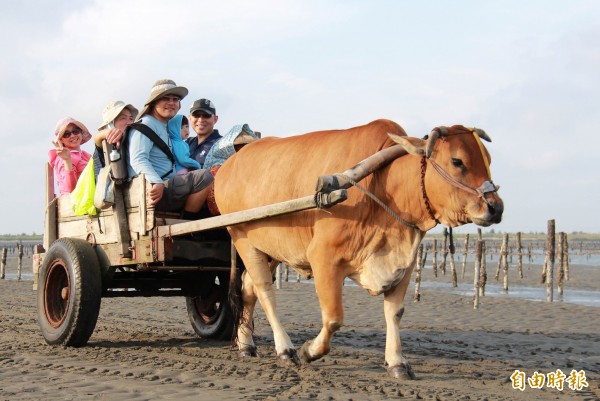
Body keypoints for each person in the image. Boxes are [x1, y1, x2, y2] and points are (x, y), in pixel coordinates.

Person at [127, 79, 213, 217]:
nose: (171, 103)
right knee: (204, 177)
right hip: (153, 191)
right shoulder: (145, 126)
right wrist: (156, 182)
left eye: (175, 99)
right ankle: (189, 225)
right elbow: (138, 159)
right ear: (154, 102)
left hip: (164, 185)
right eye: (165, 98)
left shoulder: (163, 127)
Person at [92, 100, 138, 178]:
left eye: (131, 118)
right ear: (110, 125)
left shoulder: (136, 141)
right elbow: (97, 140)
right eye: (123, 118)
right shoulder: (106, 145)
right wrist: (107, 133)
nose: (129, 122)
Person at [49, 117, 93, 194]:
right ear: (61, 140)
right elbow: (71, 189)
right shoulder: (62, 157)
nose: (72, 135)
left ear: (81, 133)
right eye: (66, 134)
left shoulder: (86, 155)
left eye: (75, 131)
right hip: (78, 203)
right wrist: (67, 160)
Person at [186, 98, 222, 168]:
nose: (201, 120)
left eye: (206, 115)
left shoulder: (222, 144)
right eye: (196, 115)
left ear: (215, 119)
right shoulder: (186, 143)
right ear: (190, 118)